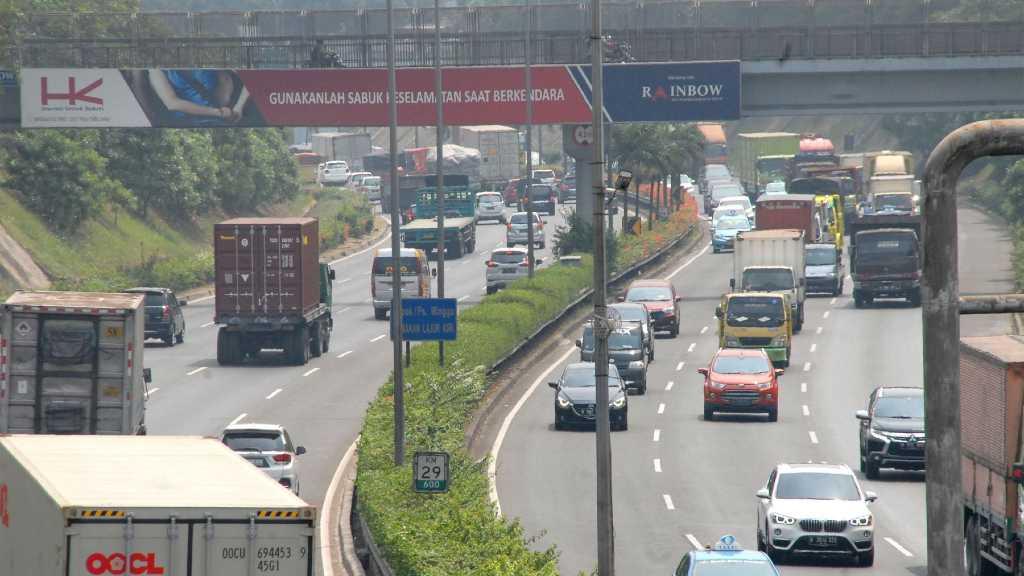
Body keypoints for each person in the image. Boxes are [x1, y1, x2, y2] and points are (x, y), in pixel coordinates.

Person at [147, 69, 250, 126]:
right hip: (190, 123)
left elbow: (253, 76)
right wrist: (217, 112)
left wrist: (239, 106)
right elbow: (172, 103)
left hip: (226, 117)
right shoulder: (157, 70)